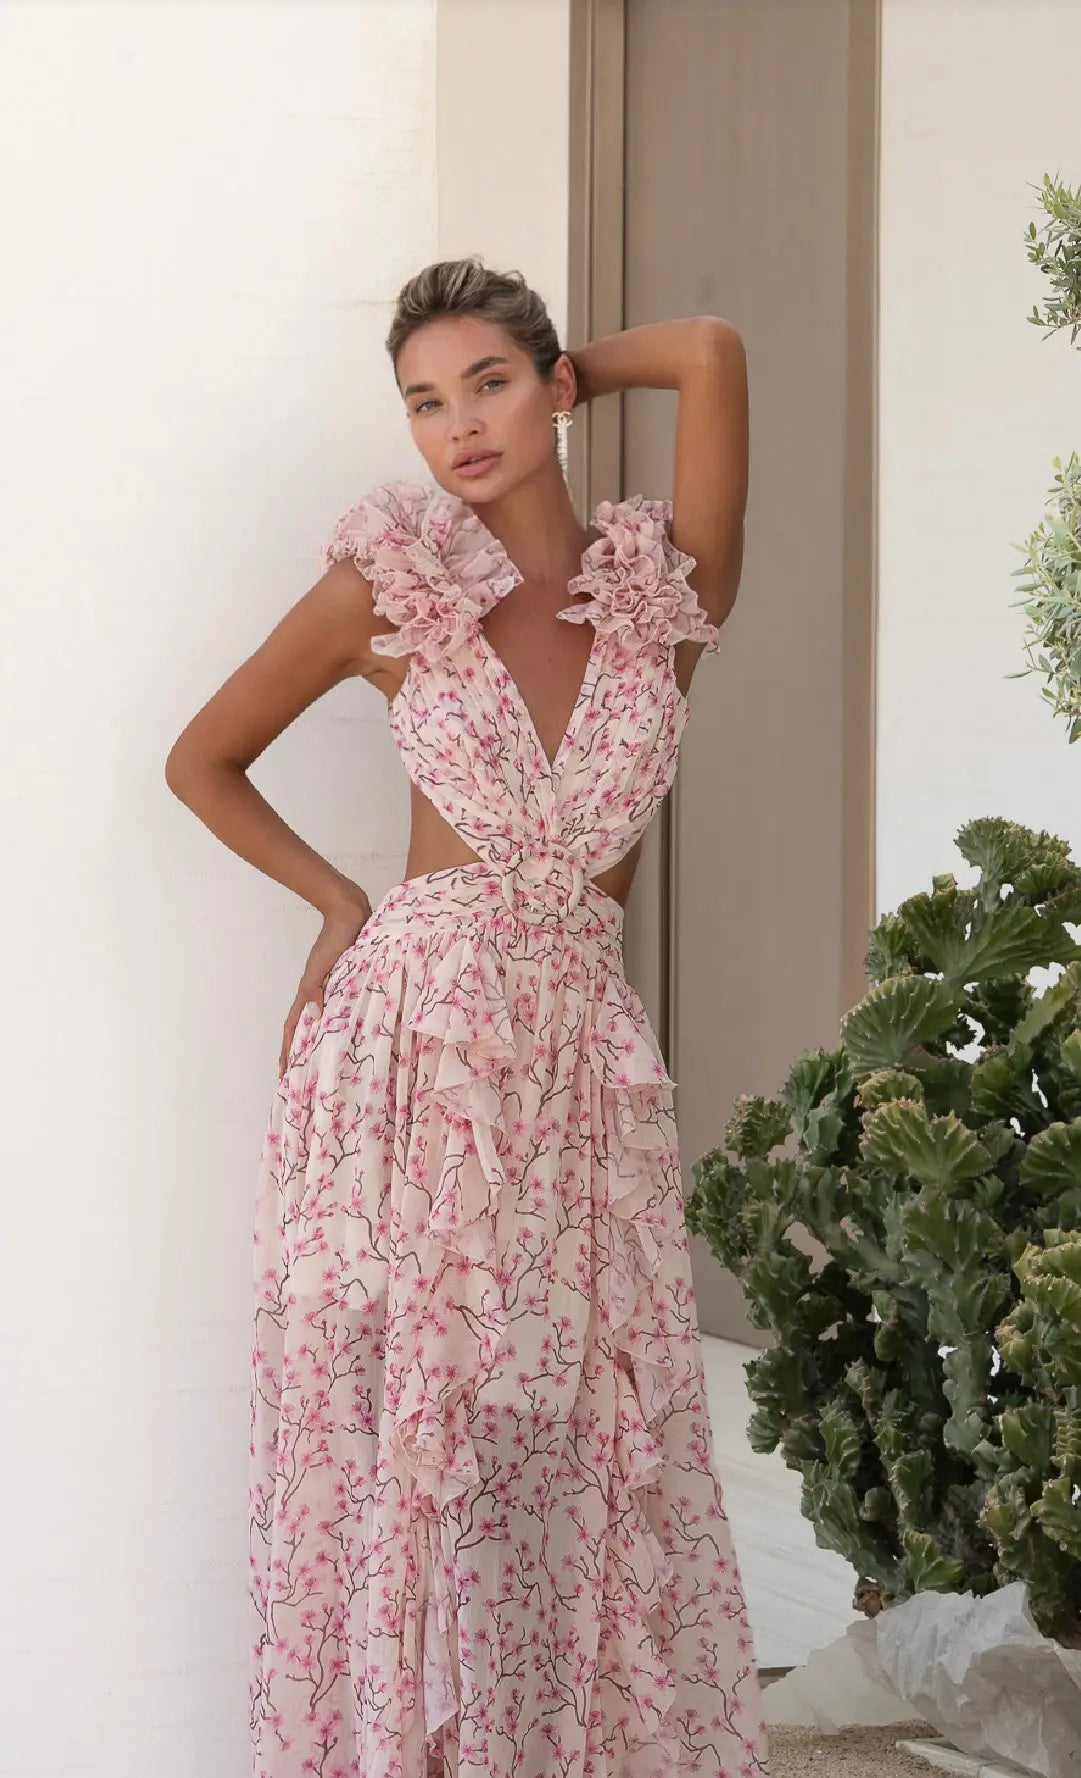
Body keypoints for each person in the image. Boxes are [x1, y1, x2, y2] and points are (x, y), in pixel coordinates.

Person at [165, 256, 767, 1778]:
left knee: (576, 1427)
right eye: (425, 404)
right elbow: (202, 758)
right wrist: (336, 902)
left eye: (488, 385)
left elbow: (708, 349)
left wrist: (568, 366)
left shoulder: (661, 601)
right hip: (410, 1052)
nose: (459, 428)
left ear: (553, 390)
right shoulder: (395, 592)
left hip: (579, 1061)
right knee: (415, 1435)